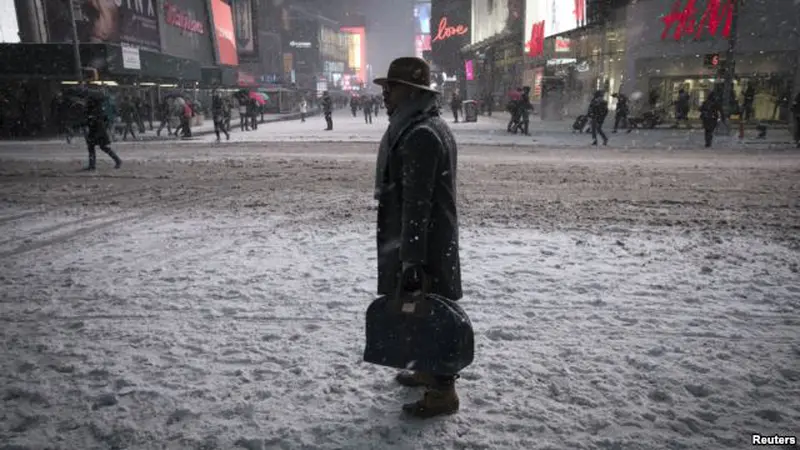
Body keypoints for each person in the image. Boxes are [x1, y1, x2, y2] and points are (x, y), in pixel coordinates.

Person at [372, 56, 462, 419]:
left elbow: (417, 204)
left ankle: (443, 390)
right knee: (425, 309)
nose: (385, 96)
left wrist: (412, 259)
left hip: (424, 245)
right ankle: (428, 368)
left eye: (390, 88)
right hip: (432, 241)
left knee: (433, 309)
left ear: (410, 91)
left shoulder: (420, 134)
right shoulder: (423, 126)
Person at [84, 90, 122, 171]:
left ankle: (92, 165)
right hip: (99, 131)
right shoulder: (99, 108)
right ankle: (117, 160)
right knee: (102, 147)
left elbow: (94, 120)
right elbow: (104, 119)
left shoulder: (93, 109)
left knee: (94, 147)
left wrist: (91, 120)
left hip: (96, 131)